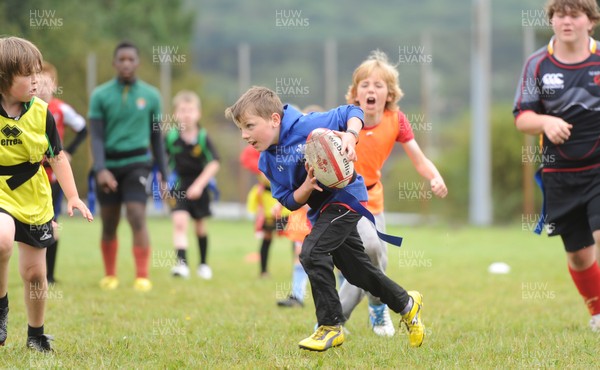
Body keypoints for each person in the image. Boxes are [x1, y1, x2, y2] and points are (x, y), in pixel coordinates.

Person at [225, 86, 424, 351]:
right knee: (357, 272)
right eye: (241, 129)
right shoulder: (266, 162)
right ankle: (406, 303)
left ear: (274, 119)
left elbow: (352, 111)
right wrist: (305, 188)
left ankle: (330, 325)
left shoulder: (307, 125)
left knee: (311, 252)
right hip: (322, 212)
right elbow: (286, 199)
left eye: (249, 126)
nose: (244, 135)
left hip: (347, 198)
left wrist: (351, 136)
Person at [340, 50, 448, 336]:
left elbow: (419, 159)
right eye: (365, 84)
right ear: (355, 92)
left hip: (373, 198)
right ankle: (348, 315)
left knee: (376, 261)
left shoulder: (396, 121)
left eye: (378, 85)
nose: (371, 90)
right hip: (343, 199)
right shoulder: (344, 119)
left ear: (389, 93)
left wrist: (434, 177)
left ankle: (354, 313)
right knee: (372, 250)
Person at [0, 36, 93, 352]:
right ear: (4, 77)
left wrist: (73, 196)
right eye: (28, 74)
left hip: (34, 193)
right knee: (1, 239)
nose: (36, 80)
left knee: (35, 274)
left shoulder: (42, 113)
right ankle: (1, 309)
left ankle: (35, 335)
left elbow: (57, 157)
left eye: (37, 72)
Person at [513, 0, 600, 331]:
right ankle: (597, 312)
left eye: (574, 15)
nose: (567, 21)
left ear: (590, 21)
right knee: (579, 255)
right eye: (560, 14)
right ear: (552, 20)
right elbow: (523, 117)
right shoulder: (537, 64)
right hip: (560, 175)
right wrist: (546, 122)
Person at [88, 41, 167, 292]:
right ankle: (110, 275)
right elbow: (96, 136)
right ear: (114, 63)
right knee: (109, 222)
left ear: (138, 63)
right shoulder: (100, 95)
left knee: (136, 215)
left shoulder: (152, 96)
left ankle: (142, 276)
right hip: (108, 165)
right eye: (121, 59)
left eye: (130, 59)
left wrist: (163, 174)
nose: (126, 63)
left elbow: (157, 139)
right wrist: (100, 169)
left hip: (138, 165)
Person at [37, 62, 88, 284]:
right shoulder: (24, 109)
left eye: (47, 83)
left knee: (52, 220)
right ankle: (34, 270)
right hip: (30, 174)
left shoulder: (59, 109)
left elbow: (83, 128)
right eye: (38, 83)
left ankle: (49, 274)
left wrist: (69, 152)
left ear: (55, 85)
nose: (42, 88)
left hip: (54, 174)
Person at [165, 90, 220, 280]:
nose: (186, 114)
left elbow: (214, 163)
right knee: (179, 222)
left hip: (200, 185)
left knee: (199, 227)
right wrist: (162, 185)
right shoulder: (171, 137)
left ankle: (203, 264)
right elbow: (162, 163)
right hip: (179, 185)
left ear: (198, 113)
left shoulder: (204, 137)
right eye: (182, 110)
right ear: (175, 114)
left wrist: (199, 185)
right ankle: (182, 264)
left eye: (190, 110)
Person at [240, 144, 290, 278]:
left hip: (288, 199)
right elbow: (246, 158)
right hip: (268, 201)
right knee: (267, 235)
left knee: (296, 235)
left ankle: (299, 270)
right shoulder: (259, 149)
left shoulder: (284, 147)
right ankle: (263, 271)